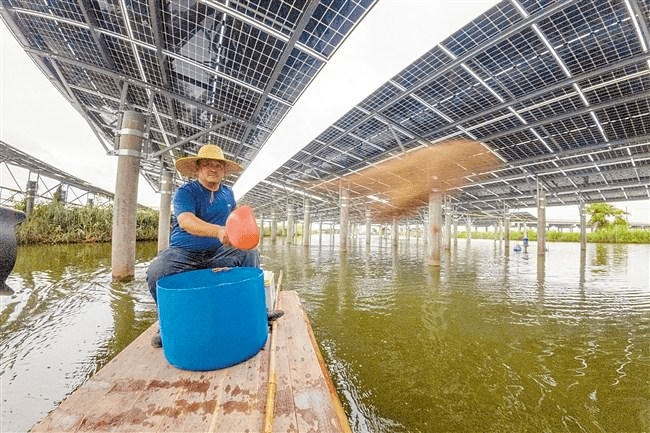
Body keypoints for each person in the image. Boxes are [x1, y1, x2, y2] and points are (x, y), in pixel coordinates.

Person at [146, 144, 282, 348]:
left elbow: (235, 219)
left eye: (218, 165)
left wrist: (248, 232)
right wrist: (218, 231)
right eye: (208, 165)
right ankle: (166, 325)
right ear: (198, 169)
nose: (213, 169)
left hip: (218, 253)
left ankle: (257, 312)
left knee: (250, 253)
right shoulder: (186, 192)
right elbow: (186, 221)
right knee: (157, 271)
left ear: (224, 171)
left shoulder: (228, 194)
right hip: (184, 253)